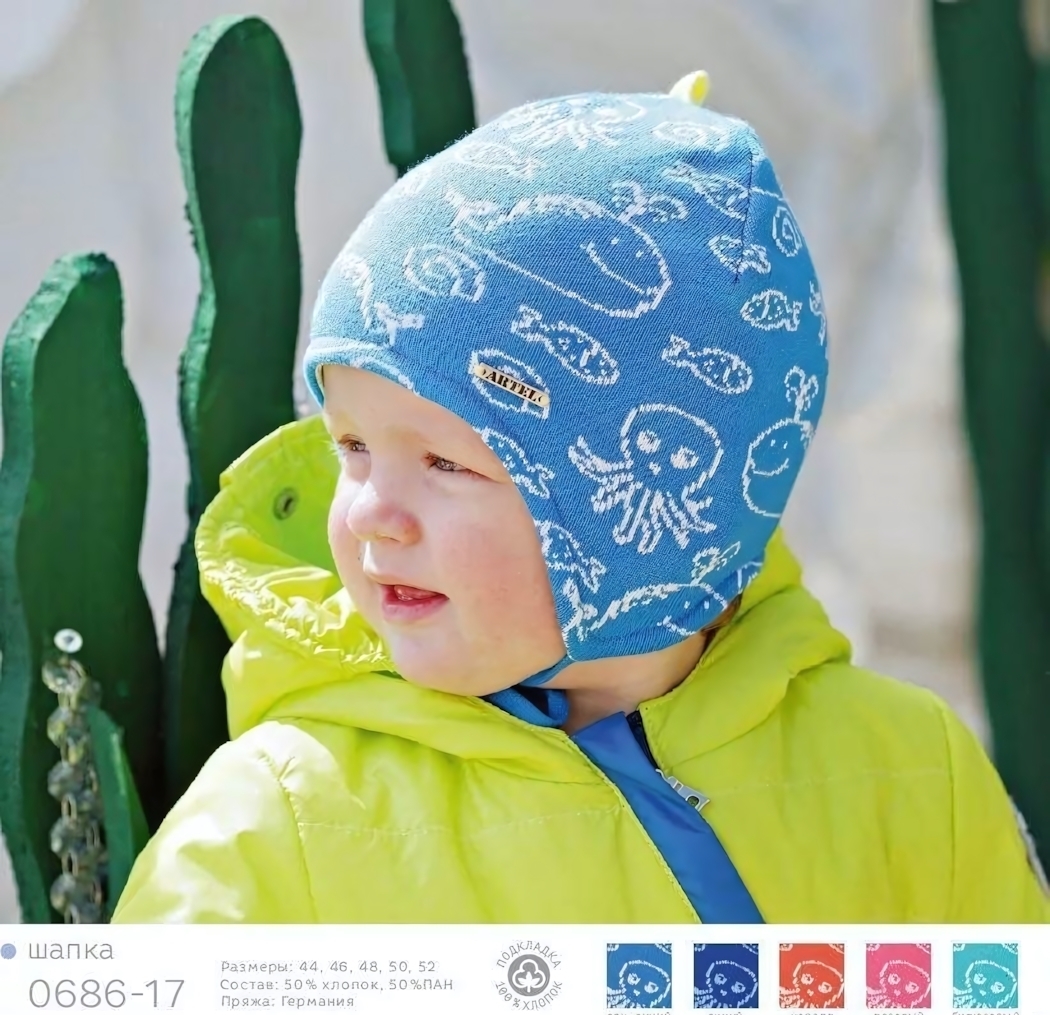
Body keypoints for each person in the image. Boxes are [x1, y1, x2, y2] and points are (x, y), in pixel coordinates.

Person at [112, 74, 1049, 924]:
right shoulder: (279, 829)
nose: (368, 514)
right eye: (352, 448)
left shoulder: (909, 774)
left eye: (446, 464)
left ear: (635, 514)